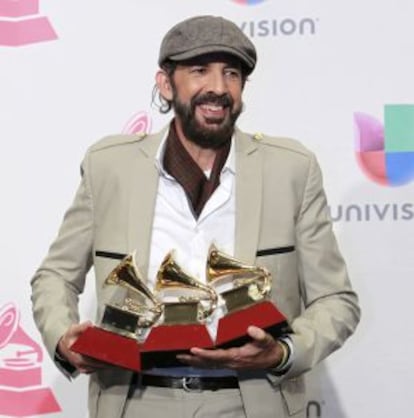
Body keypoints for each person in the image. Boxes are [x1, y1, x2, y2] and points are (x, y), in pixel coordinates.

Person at [31, 15, 360, 418]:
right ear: (166, 84)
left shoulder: (291, 170)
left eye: (232, 74)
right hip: (135, 401)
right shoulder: (109, 166)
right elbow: (55, 276)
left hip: (249, 401)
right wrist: (64, 337)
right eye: (199, 70)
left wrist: (283, 351)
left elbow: (336, 300)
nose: (218, 88)